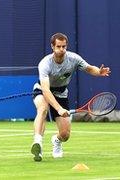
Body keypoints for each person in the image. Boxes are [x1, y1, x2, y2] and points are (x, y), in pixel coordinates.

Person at [31, 33, 111, 162]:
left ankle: (56, 141)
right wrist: (59, 109)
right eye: (58, 46)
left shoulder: (73, 59)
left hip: (61, 94)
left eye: (64, 46)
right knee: (42, 109)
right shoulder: (45, 63)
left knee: (65, 135)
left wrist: (98, 72)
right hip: (43, 90)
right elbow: (46, 90)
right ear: (52, 46)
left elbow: (89, 68)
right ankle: (38, 143)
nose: (61, 49)